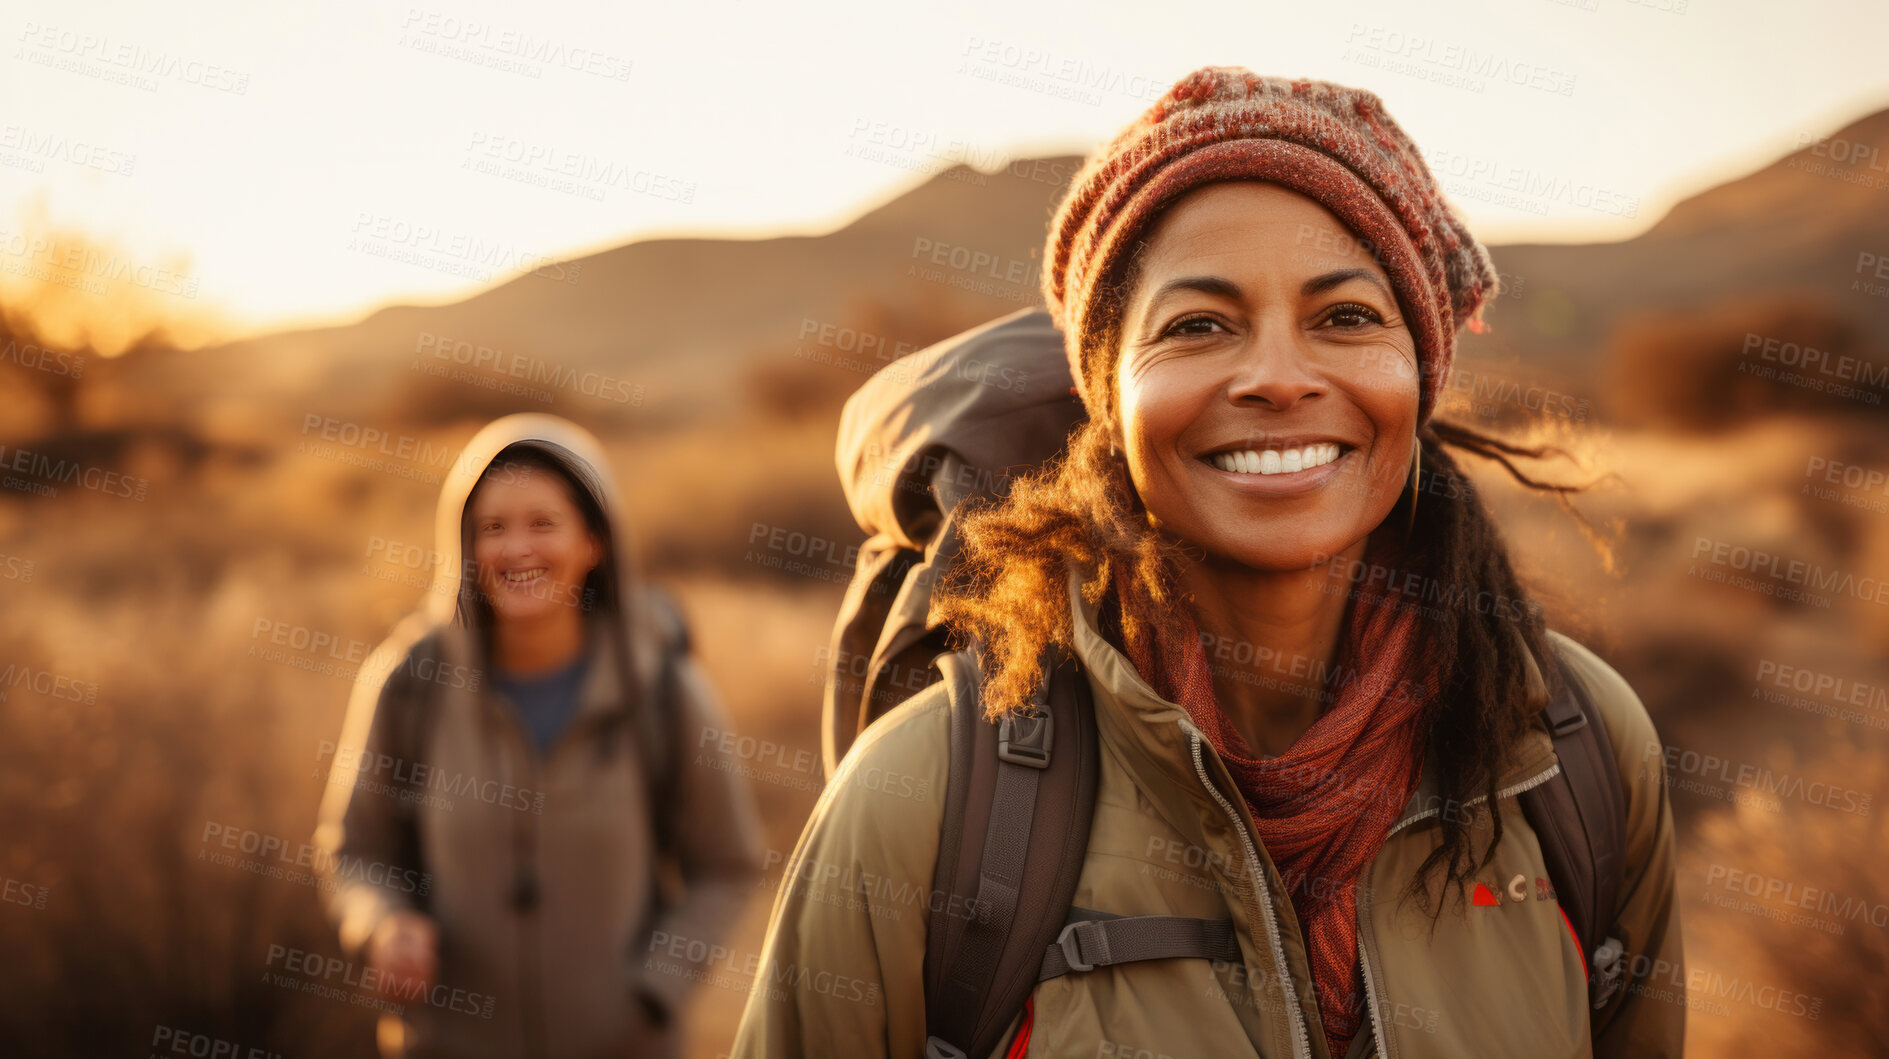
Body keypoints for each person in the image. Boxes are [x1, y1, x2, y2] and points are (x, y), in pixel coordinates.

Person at [733, 68, 1682, 1059]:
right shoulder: (924, 798)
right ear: (1110, 402)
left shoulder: (1579, 759)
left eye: (1345, 317)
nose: (1274, 376)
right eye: (1196, 326)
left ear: (1419, 374)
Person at [315, 413, 765, 1059]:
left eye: (542, 523)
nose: (516, 549)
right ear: (463, 547)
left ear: (594, 541)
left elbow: (726, 864)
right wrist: (383, 924)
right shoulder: (410, 680)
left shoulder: (663, 687)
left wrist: (654, 992)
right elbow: (354, 851)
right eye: (492, 527)